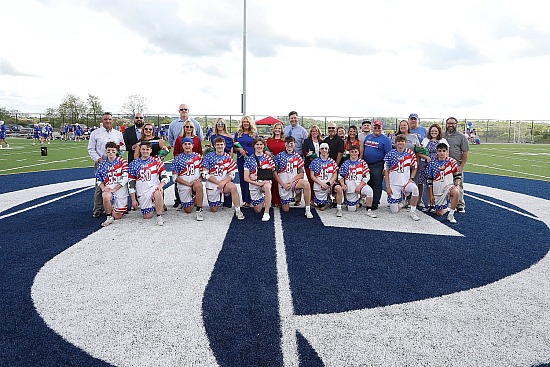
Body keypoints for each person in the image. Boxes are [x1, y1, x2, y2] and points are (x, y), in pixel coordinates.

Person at [87, 112, 125, 218]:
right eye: (105, 119)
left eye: (109, 119)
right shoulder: (95, 133)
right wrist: (98, 159)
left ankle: (117, 207)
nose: (107, 121)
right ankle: (98, 209)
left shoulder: (118, 134)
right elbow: (91, 148)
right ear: (102, 120)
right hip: (101, 163)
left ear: (112, 120)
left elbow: (122, 147)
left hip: (115, 164)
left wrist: (118, 158)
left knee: (117, 184)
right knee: (100, 186)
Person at [202, 137, 245, 220]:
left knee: (233, 187)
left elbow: (232, 174)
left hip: (224, 184)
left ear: (224, 145)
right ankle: (217, 200)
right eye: (217, 145)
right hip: (212, 183)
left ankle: (238, 210)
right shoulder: (208, 157)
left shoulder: (228, 157)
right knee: (214, 210)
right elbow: (204, 174)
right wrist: (218, 182)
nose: (219, 146)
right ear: (214, 146)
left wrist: (223, 183)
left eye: (221, 144)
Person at [128, 141, 170, 226]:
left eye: (147, 149)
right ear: (140, 150)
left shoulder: (156, 161)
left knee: (158, 192)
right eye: (143, 149)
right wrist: (133, 200)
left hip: (153, 188)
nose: (145, 151)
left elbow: (166, 177)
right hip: (142, 192)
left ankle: (159, 215)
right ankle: (156, 204)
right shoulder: (134, 164)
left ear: (151, 150)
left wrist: (160, 186)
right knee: (147, 216)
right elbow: (131, 183)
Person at [273, 136, 313, 218]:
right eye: (288, 143)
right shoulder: (279, 156)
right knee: (286, 210)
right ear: (285, 144)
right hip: (283, 183)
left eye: (292, 143)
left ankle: (308, 209)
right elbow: (274, 173)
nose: (289, 145)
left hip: (293, 181)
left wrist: (291, 182)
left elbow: (301, 174)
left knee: (306, 184)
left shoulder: (297, 156)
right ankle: (282, 201)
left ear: (294, 144)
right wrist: (283, 184)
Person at [383, 135, 420, 221]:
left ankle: (413, 211)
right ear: (396, 143)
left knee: (415, 189)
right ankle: (403, 203)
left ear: (405, 142)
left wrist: (412, 178)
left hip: (405, 182)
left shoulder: (410, 153)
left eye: (402, 141)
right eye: (398, 141)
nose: (400, 143)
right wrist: (388, 186)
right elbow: (386, 171)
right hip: (394, 183)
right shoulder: (390, 154)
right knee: (394, 210)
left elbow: (415, 167)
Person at [359, 120, 392, 210]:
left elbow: (389, 155)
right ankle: (369, 200)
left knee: (376, 184)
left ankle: (375, 202)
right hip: (367, 164)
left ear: (381, 128)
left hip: (378, 164)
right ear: (372, 128)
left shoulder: (386, 140)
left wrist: (385, 167)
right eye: (375, 127)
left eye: (379, 127)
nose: (377, 129)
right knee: (368, 182)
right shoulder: (368, 137)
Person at [426, 142, 461, 224]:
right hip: (437, 189)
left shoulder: (451, 161)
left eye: (444, 151)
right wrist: (431, 194)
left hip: (448, 186)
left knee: (456, 192)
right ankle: (449, 208)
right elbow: (429, 180)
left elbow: (457, 175)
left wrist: (457, 185)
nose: (442, 153)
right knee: (439, 213)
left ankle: (451, 215)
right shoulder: (432, 163)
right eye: (440, 151)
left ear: (447, 152)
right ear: (437, 152)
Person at [95, 141, 129, 226]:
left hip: (120, 190)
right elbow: (98, 179)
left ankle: (114, 209)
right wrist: (103, 188)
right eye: (109, 151)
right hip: (109, 188)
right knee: (105, 196)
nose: (111, 153)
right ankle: (108, 216)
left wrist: (115, 188)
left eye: (113, 151)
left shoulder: (122, 162)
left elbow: (125, 176)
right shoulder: (102, 164)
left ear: (117, 151)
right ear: (106, 151)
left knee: (117, 216)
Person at [171, 137, 205, 221]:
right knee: (188, 210)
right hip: (184, 185)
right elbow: (174, 177)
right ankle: (193, 198)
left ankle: (199, 210)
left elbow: (203, 172)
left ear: (192, 145)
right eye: (185, 144)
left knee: (199, 185)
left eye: (189, 144)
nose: (187, 146)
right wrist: (188, 184)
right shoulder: (178, 158)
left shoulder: (198, 157)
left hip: (194, 184)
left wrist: (199, 179)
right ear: (182, 146)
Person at [338, 145, 377, 217]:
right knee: (351, 209)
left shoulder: (362, 163)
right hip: (350, 187)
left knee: (369, 191)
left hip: (360, 185)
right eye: (352, 152)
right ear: (349, 152)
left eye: (355, 152)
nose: (354, 153)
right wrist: (343, 184)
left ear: (358, 152)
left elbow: (367, 176)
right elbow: (340, 176)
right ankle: (359, 201)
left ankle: (369, 210)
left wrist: (359, 186)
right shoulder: (345, 164)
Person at [243, 137, 275, 222]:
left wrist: (257, 177)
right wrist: (258, 183)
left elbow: (270, 174)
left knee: (267, 187)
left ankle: (267, 212)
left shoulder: (268, 158)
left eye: (261, 144)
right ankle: (264, 197)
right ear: (254, 146)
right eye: (257, 144)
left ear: (264, 146)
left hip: (265, 182)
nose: (259, 146)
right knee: (257, 210)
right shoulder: (249, 159)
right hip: (254, 184)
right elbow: (246, 178)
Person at [419, 124, 449, 211]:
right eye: (432, 131)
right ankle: (429, 204)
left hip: (438, 166)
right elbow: (419, 153)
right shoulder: (425, 140)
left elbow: (447, 153)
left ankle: (438, 204)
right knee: (429, 185)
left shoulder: (443, 140)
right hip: (426, 165)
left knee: (438, 185)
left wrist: (445, 165)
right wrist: (426, 158)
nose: (434, 132)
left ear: (439, 132)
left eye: (436, 131)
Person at [309, 143, 344, 216]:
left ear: (328, 150)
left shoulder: (332, 162)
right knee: (321, 207)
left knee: (339, 188)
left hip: (330, 184)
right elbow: (312, 176)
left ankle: (339, 208)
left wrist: (328, 183)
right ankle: (328, 201)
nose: (324, 150)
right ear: (319, 150)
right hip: (319, 184)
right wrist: (322, 184)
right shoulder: (315, 162)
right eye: (322, 149)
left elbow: (335, 175)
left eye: (326, 148)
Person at [444, 117, 469, 213]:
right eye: (449, 123)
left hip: (456, 165)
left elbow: (465, 152)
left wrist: (461, 166)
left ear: (456, 124)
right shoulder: (442, 135)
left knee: (458, 185)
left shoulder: (461, 137)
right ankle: (446, 203)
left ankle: (460, 204)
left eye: (453, 123)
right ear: (446, 124)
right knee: (445, 185)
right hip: (444, 166)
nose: (451, 125)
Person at [284, 111, 308, 206]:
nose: (293, 119)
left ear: (297, 118)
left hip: (298, 157)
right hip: (287, 157)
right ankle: (288, 196)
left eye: (295, 118)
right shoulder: (286, 129)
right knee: (287, 176)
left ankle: (297, 199)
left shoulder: (303, 130)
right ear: (289, 119)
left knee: (298, 177)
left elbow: (305, 145)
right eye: (291, 118)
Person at [234, 115, 258, 208]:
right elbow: (234, 146)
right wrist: (239, 150)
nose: (246, 123)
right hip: (241, 158)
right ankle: (246, 200)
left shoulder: (254, 133)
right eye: (244, 121)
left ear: (250, 123)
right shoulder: (238, 133)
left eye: (247, 121)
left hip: (251, 158)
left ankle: (253, 198)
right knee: (243, 179)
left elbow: (258, 145)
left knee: (252, 178)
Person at [408, 113, 428, 207]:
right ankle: (406, 199)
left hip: (420, 158)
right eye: (411, 119)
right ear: (409, 120)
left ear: (418, 120)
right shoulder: (407, 129)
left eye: (415, 119)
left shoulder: (423, 130)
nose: (413, 121)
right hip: (407, 158)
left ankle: (419, 199)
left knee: (419, 180)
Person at [266, 121, 286, 207]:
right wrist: (267, 152)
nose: (277, 130)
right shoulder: (269, 140)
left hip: (282, 163)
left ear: (282, 130)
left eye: (279, 128)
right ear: (273, 129)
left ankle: (281, 200)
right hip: (271, 163)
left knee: (281, 181)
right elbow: (264, 149)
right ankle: (273, 200)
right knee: (272, 182)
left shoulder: (284, 140)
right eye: (276, 128)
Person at [301, 125, 322, 204]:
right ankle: (311, 199)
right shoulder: (307, 141)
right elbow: (304, 151)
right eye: (313, 131)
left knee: (319, 181)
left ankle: (319, 198)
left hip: (320, 164)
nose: (314, 132)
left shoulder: (321, 141)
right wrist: (311, 157)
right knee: (311, 181)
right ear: (311, 132)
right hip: (309, 164)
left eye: (316, 131)